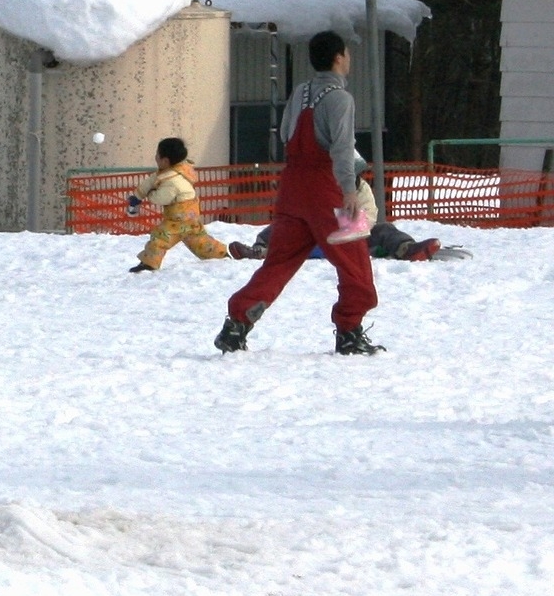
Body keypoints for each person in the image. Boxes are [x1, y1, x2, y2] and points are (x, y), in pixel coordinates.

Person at [215, 30, 384, 355]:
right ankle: (349, 330)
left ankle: (237, 324)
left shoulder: (301, 92)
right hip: (328, 190)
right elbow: (342, 148)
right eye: (347, 53)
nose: (349, 59)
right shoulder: (340, 99)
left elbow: (287, 136)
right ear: (338, 58)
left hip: (292, 188)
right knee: (355, 262)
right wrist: (349, 190)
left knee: (279, 262)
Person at [228, 155, 442, 262]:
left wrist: (337, 218)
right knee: (279, 228)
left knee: (385, 230)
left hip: (351, 242)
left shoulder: (362, 192)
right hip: (314, 237)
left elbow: (365, 224)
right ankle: (259, 250)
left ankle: (406, 249)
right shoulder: (318, 187)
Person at [126, 136, 229, 273]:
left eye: (157, 154)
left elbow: (161, 198)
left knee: (160, 237)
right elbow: (151, 181)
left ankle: (149, 263)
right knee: (199, 240)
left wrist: (150, 195)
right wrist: (138, 195)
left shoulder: (172, 181)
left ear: (165, 161)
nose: (155, 157)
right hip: (191, 216)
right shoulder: (174, 170)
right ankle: (222, 254)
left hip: (179, 218)